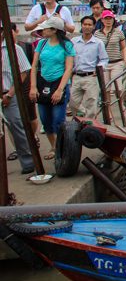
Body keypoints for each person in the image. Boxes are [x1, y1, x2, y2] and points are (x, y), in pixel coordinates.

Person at [29, 16, 75, 159]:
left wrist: (60, 89)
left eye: (45, 28)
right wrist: (33, 86)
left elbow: (68, 68)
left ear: (54, 30)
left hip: (59, 83)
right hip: (43, 83)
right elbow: (35, 66)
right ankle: (54, 146)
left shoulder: (67, 45)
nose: (42, 31)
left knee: (58, 120)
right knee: (45, 120)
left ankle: (63, 148)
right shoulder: (41, 44)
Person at [2, 25, 35, 174]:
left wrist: (9, 94)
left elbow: (23, 72)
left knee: (17, 127)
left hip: (10, 93)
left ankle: (28, 161)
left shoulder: (14, 49)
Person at [69, 16, 109, 120]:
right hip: (76, 76)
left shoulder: (98, 43)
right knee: (73, 103)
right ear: (81, 26)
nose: (87, 27)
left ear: (94, 27)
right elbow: (69, 57)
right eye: (85, 24)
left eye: (89, 25)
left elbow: (104, 59)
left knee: (91, 104)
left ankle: (89, 126)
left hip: (91, 76)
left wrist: (99, 68)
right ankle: (80, 120)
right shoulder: (74, 41)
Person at [97, 9, 126, 106]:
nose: (108, 21)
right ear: (102, 20)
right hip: (104, 63)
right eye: (106, 18)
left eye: (110, 19)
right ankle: (108, 110)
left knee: (117, 87)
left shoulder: (118, 33)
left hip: (117, 62)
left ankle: (121, 105)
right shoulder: (97, 33)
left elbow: (123, 47)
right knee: (106, 88)